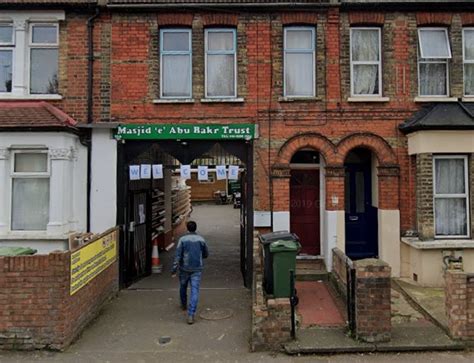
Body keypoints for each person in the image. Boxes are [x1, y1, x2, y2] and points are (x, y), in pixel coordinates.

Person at [171, 220, 209, 324]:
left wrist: (174, 269)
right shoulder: (201, 239)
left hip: (184, 268)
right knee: (195, 290)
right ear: (195, 228)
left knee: (183, 287)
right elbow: (206, 253)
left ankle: (184, 304)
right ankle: (191, 314)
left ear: (187, 228)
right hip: (197, 268)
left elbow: (178, 255)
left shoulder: (182, 240)